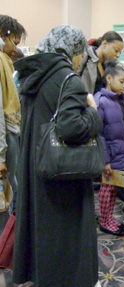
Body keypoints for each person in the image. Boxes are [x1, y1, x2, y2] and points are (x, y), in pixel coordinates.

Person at [12, 25, 103, 287]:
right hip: (62, 173)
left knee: (42, 230)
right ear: (71, 50)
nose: (80, 60)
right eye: (80, 54)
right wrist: (93, 113)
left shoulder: (33, 74)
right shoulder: (68, 80)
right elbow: (71, 127)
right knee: (66, 234)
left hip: (34, 164)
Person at [94, 60, 124, 236]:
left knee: (113, 188)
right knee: (107, 188)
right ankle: (105, 221)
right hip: (110, 156)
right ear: (109, 79)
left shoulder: (119, 100)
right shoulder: (101, 101)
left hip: (119, 153)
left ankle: (109, 218)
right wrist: (105, 161)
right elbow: (99, 134)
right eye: (122, 81)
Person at [0, 15, 27, 231]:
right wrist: (1, 154)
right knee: (8, 187)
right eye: (14, 42)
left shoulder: (6, 62)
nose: (13, 49)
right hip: (5, 136)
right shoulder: (1, 62)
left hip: (9, 133)